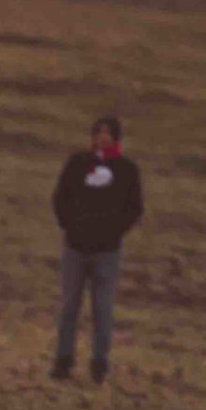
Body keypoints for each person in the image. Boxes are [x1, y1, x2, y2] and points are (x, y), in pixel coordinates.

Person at [49, 114, 145, 383]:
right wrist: (69, 225)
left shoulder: (127, 170)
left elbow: (134, 207)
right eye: (99, 132)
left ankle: (99, 364)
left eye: (108, 133)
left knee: (102, 309)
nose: (102, 137)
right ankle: (63, 360)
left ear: (116, 137)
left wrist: (114, 231)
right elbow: (61, 197)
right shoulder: (78, 164)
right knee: (69, 306)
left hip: (107, 251)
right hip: (75, 248)